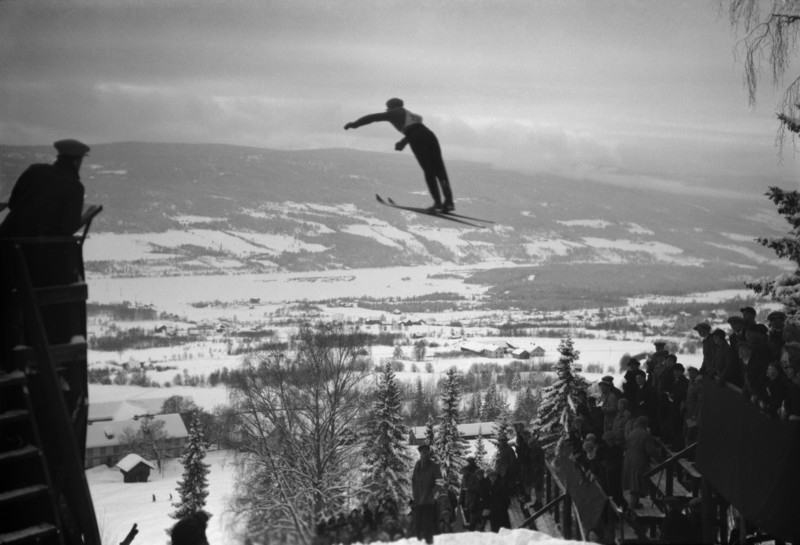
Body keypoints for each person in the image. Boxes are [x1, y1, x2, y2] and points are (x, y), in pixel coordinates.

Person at [344, 98, 454, 212]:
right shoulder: (409, 114)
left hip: (416, 137)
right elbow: (415, 128)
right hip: (429, 135)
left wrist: (354, 124)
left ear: (391, 107)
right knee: (440, 170)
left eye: (387, 108)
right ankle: (449, 203)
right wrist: (403, 142)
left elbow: (372, 117)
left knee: (429, 171)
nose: (387, 111)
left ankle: (437, 204)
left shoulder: (394, 113)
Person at [0, 139, 89, 237]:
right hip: (38, 248)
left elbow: (13, 203)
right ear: (76, 162)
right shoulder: (75, 187)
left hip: (6, 239)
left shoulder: (34, 171)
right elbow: (68, 228)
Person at [621, 416, 662, 510]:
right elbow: (651, 450)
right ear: (646, 424)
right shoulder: (646, 435)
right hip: (639, 460)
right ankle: (630, 510)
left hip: (628, 459)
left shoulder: (631, 433)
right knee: (636, 486)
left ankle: (635, 504)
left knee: (634, 484)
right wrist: (660, 460)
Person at [410, 444, 442, 544]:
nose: (424, 454)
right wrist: (414, 492)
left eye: (425, 452)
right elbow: (413, 479)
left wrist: (432, 493)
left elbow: (440, 482)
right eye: (422, 452)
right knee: (418, 524)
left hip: (428, 501)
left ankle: (429, 542)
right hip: (418, 500)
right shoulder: (417, 464)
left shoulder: (434, 466)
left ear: (428, 453)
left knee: (427, 524)